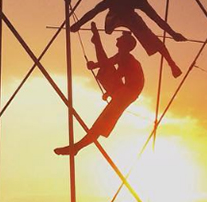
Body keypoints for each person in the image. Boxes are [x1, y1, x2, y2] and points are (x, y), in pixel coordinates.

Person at [54, 25, 145, 156]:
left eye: (120, 39)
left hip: (127, 92)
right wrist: (96, 64)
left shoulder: (126, 57)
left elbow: (114, 69)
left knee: (102, 123)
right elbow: (109, 63)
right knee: (103, 122)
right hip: (124, 91)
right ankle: (76, 147)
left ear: (125, 44)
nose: (117, 39)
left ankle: (76, 147)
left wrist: (96, 65)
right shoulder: (122, 55)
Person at [70, 0, 186, 78]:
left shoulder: (140, 1)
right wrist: (79, 24)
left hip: (131, 19)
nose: (137, 2)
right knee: (127, 24)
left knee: (153, 38)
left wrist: (173, 34)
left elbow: (157, 19)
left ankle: (172, 65)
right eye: (136, 0)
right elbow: (96, 10)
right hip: (115, 17)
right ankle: (126, 33)